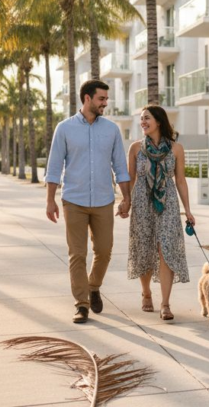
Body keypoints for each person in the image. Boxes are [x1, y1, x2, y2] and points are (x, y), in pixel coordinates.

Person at [45, 80, 131, 324]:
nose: (105, 103)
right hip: (73, 200)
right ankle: (81, 304)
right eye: (101, 99)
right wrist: (50, 200)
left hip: (104, 199)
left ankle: (94, 286)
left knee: (104, 251)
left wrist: (127, 198)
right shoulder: (64, 128)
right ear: (87, 98)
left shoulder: (112, 130)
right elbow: (54, 167)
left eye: (106, 99)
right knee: (77, 254)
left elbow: (120, 167)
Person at [123, 104, 194, 320]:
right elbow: (131, 178)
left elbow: (180, 180)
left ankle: (165, 304)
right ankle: (146, 293)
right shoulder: (135, 148)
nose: (143, 122)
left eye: (147, 118)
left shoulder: (176, 149)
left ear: (159, 122)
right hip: (142, 202)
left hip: (168, 203)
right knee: (144, 247)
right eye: (141, 118)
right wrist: (125, 201)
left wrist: (188, 210)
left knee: (165, 248)